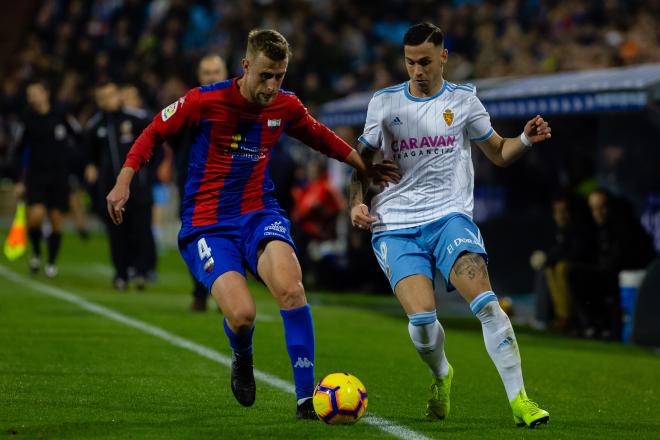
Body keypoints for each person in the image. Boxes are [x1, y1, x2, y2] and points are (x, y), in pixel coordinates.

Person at [105, 29, 399, 418]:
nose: (272, 85)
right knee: (242, 316)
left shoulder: (286, 107)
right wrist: (123, 180)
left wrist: (365, 165)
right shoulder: (203, 101)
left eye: (279, 76)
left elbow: (320, 137)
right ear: (245, 66)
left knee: (292, 289)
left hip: (259, 213)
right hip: (207, 225)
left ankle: (305, 400)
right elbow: (154, 131)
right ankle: (242, 355)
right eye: (265, 75)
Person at [349, 22, 551, 427]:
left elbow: (497, 152)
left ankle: (521, 401)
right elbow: (361, 159)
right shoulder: (384, 103)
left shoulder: (464, 101)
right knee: (422, 320)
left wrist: (525, 139)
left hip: (448, 217)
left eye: (425, 61)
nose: (417, 70)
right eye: (409, 62)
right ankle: (442, 374)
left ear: (443, 57)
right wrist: (357, 201)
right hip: (395, 224)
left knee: (488, 305)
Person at [169, 53, 229, 311]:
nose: (212, 77)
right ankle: (200, 293)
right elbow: (171, 135)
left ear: (225, 74)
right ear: (199, 76)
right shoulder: (189, 104)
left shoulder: (238, 106)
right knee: (197, 237)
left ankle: (225, 293)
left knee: (229, 237)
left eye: (216, 72)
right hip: (193, 184)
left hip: (229, 184)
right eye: (207, 72)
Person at [85, 80, 156, 291]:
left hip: (139, 188)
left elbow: (156, 141)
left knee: (142, 231)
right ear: (99, 101)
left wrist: (151, 171)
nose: (109, 100)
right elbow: (88, 156)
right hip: (111, 190)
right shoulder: (95, 125)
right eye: (103, 97)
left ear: (119, 95)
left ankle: (142, 272)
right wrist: (91, 167)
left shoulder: (137, 118)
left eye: (112, 95)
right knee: (117, 233)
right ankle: (121, 274)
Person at [15, 79, 80, 278]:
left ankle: (51, 261)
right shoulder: (27, 117)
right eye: (29, 94)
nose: (31, 97)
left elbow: (78, 135)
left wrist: (73, 163)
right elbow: (19, 148)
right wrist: (19, 179)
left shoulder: (60, 114)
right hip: (36, 175)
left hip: (59, 175)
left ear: (45, 93)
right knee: (34, 217)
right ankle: (36, 251)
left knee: (56, 219)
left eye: (34, 93)